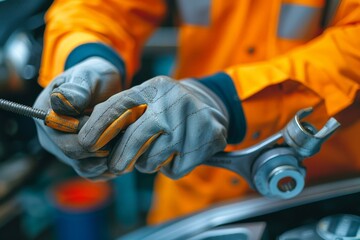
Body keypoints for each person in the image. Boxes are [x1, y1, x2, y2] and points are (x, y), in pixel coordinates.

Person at [34, 0, 360, 225]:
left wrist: (226, 99)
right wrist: (87, 56)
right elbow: (100, 7)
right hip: (192, 189)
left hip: (327, 192)